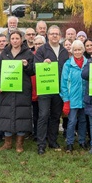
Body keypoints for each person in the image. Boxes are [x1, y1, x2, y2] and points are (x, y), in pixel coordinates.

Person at [0, 30, 35, 153]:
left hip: (22, 89)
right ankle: (7, 143)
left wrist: (26, 65)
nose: (15, 41)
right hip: (7, 90)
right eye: (12, 38)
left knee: (21, 115)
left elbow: (33, 71)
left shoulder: (28, 53)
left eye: (17, 38)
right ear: (9, 40)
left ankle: (19, 144)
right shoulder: (4, 54)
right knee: (6, 115)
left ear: (21, 39)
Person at [34, 25, 69, 154]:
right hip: (46, 88)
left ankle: (52, 141)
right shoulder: (42, 50)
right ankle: (41, 144)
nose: (54, 36)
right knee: (43, 115)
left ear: (60, 36)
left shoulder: (64, 51)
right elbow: (34, 68)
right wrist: (43, 64)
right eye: (52, 33)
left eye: (57, 34)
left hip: (59, 89)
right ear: (47, 35)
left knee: (55, 116)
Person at [60, 40, 87, 152]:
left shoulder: (88, 63)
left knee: (83, 120)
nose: (77, 52)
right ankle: (69, 143)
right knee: (71, 121)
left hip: (85, 97)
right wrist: (66, 100)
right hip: (72, 98)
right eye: (75, 50)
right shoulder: (68, 64)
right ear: (72, 51)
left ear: (83, 50)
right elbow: (64, 83)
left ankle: (82, 141)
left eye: (79, 49)